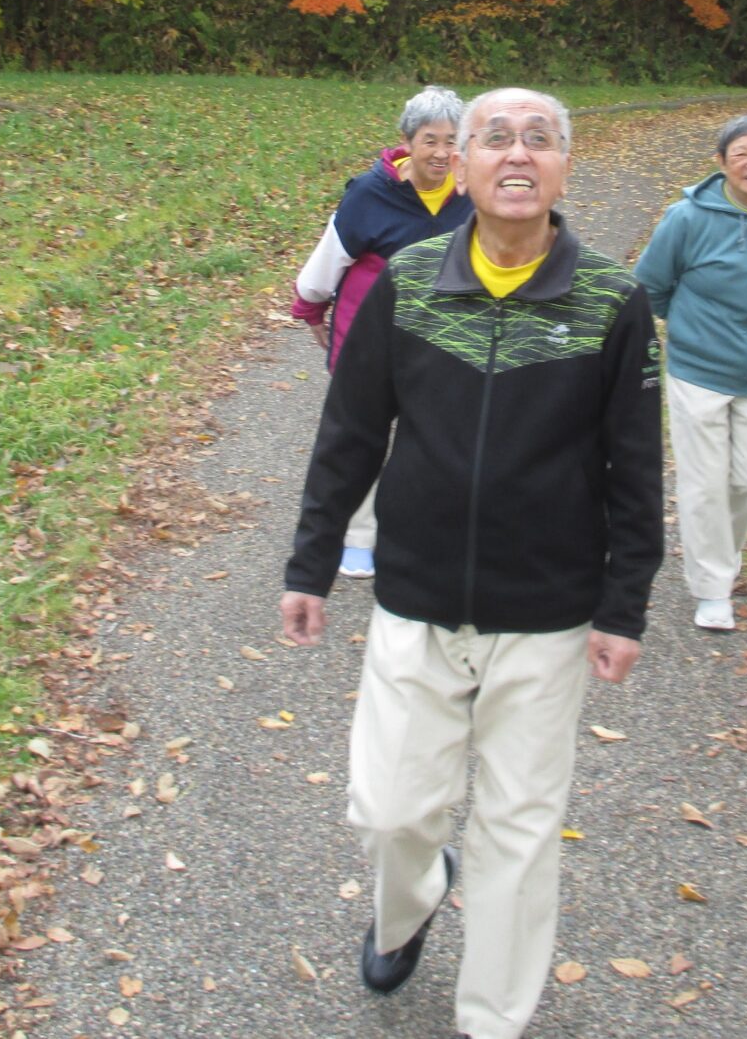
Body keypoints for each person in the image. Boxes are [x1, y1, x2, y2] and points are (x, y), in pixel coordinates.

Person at [281, 87, 664, 1039]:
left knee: (520, 831)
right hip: (415, 599)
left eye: (542, 139)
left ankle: (493, 1017)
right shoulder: (411, 283)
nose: (518, 154)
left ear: (566, 165)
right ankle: (407, 902)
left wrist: (624, 605)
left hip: (547, 616)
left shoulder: (614, 301)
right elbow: (352, 432)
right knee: (391, 809)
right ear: (461, 163)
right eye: (497, 138)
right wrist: (311, 563)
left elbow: (637, 466)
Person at [634, 115, 747, 630]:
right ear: (721, 163)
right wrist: (694, 330)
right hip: (698, 370)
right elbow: (650, 286)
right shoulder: (687, 218)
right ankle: (713, 588)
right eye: (740, 154)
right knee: (705, 485)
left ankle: (719, 556)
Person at [291, 85, 471, 578]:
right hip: (368, 336)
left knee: (436, 434)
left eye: (452, 141)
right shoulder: (370, 194)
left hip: (444, 338)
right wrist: (310, 307)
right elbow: (331, 256)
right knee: (362, 435)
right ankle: (357, 537)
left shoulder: (473, 194)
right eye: (429, 139)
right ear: (407, 140)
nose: (440, 152)